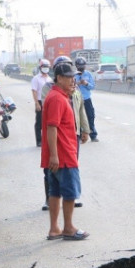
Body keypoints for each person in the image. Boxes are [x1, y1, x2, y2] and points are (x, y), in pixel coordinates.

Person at [41, 61, 89, 241]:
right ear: (59, 78)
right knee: (69, 192)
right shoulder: (57, 98)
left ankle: (54, 229)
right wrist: (54, 155)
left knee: (55, 192)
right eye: (69, 77)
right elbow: (51, 127)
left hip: (58, 155)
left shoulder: (59, 96)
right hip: (64, 155)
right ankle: (68, 227)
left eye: (74, 77)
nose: (73, 80)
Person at [75, 57, 99, 142]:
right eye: (79, 66)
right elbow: (70, 86)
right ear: (76, 66)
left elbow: (92, 86)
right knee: (78, 118)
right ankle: (81, 135)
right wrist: (77, 83)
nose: (81, 67)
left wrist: (86, 83)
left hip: (87, 99)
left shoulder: (88, 74)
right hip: (77, 100)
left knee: (90, 116)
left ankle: (93, 135)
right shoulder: (73, 75)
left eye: (82, 65)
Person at [31, 58, 53, 147]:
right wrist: (37, 103)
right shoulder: (36, 78)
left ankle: (47, 139)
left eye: (47, 67)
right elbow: (34, 91)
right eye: (44, 67)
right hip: (40, 101)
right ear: (40, 67)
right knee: (39, 122)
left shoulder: (49, 79)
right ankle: (39, 141)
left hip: (49, 101)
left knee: (48, 122)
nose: (45, 68)